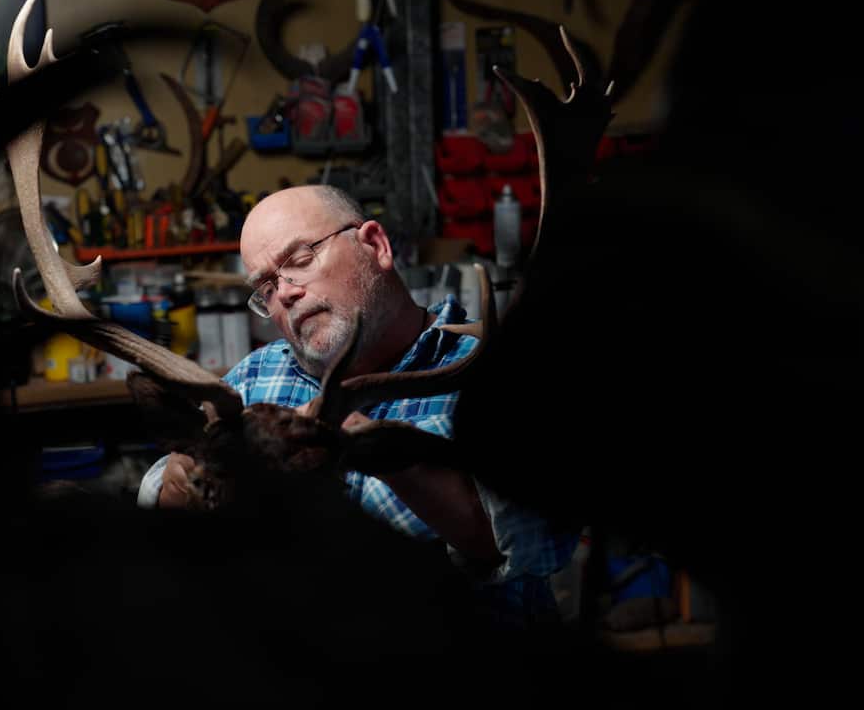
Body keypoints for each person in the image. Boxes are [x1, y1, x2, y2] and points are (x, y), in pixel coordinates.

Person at [136, 184, 576, 626]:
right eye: (265, 288)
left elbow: (539, 545)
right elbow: (172, 528)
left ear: (375, 246)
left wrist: (390, 456)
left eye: (300, 260)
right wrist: (178, 488)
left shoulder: (492, 374)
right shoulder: (255, 378)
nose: (285, 293)